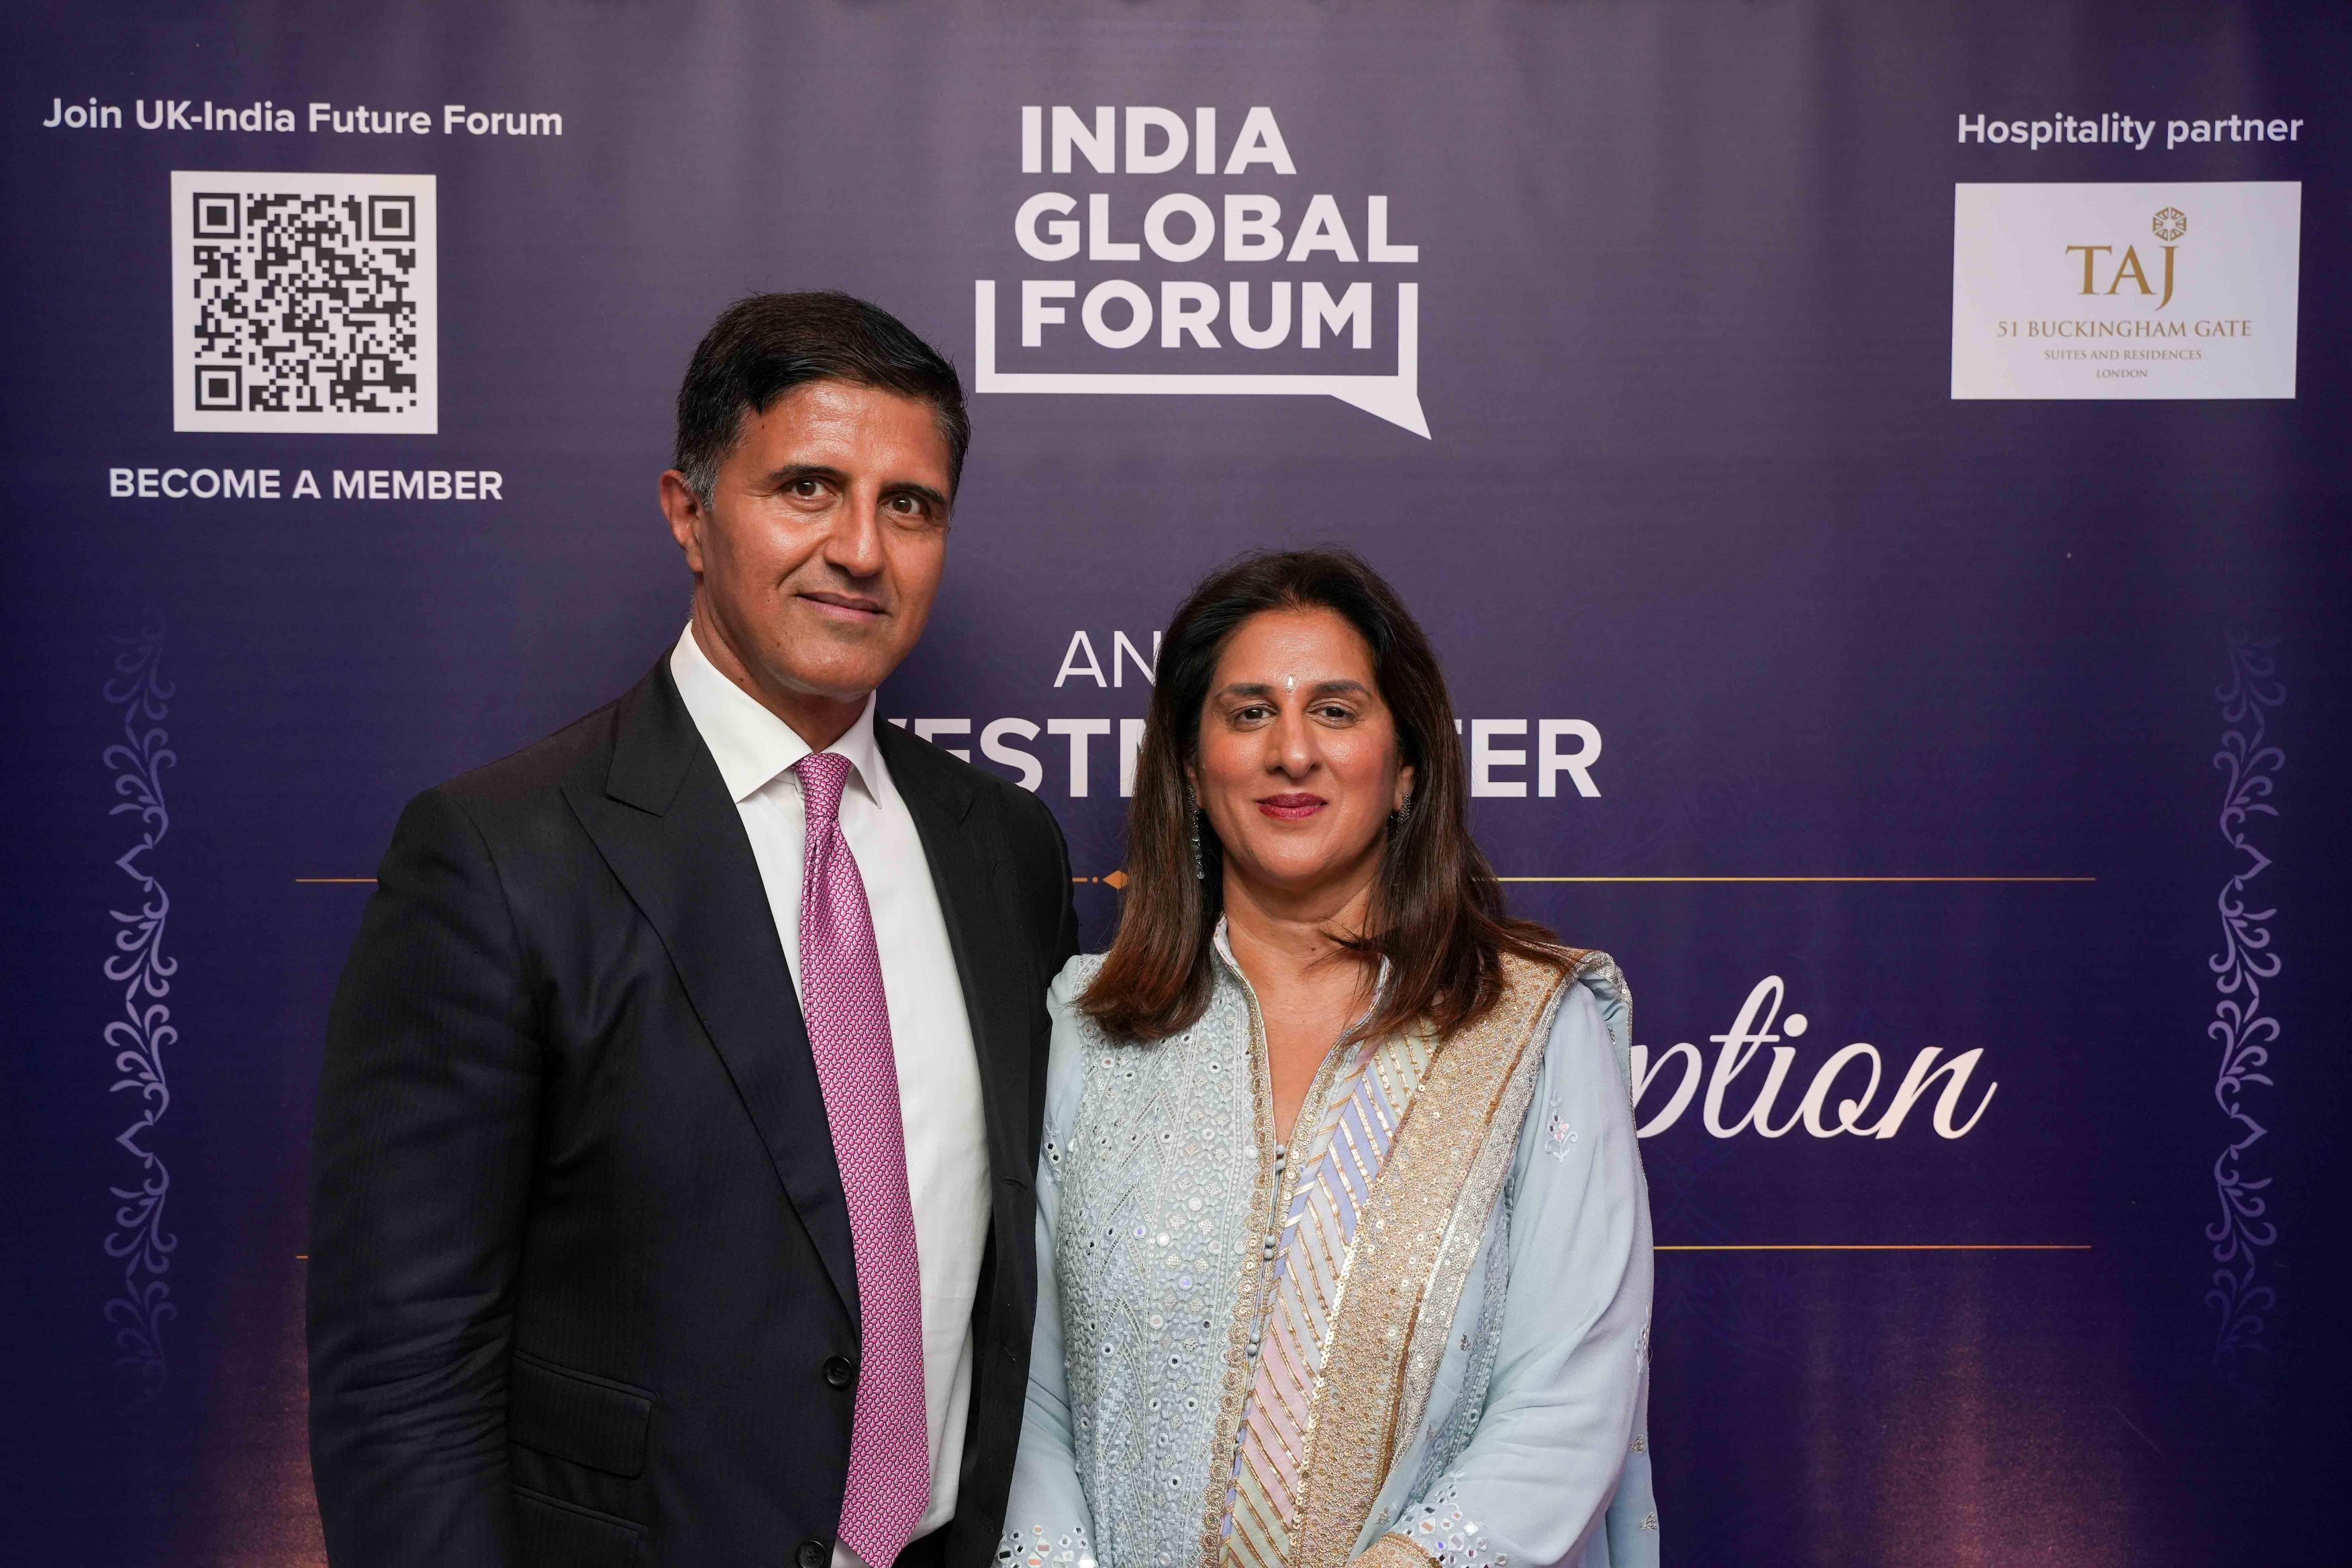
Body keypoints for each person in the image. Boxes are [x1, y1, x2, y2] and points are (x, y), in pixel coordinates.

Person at [307, 292, 1079, 1568]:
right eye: (807, 489)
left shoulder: (1004, 849)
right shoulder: (502, 855)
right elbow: (403, 1378)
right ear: (688, 513)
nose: (861, 549)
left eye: (910, 505)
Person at [999, 548, 1657, 1568]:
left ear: (1407, 768)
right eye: (1250, 713)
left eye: (1336, 711)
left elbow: (1571, 1394)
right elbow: (1029, 1390)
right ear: (1191, 767)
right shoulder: (1089, 1027)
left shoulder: (1530, 1026)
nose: (1292, 752)